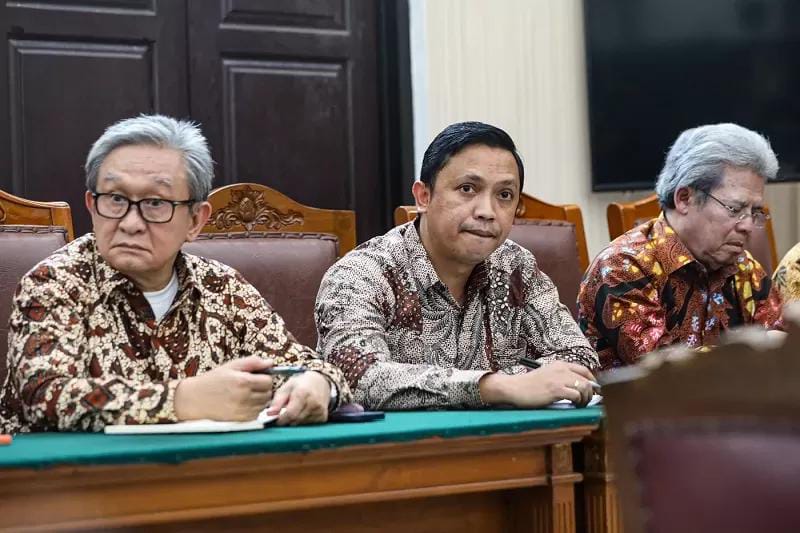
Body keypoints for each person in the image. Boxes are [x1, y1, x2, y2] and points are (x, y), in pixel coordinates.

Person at [0, 114, 350, 433]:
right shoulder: (53, 283)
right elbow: (45, 396)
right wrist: (184, 399)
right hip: (71, 477)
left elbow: (305, 366)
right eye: (115, 199)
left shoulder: (223, 288)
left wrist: (319, 384)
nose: (131, 223)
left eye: (155, 203)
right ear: (92, 205)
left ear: (195, 220)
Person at [314, 121, 599, 410]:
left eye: (504, 195)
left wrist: (517, 384)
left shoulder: (515, 266)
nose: (487, 212)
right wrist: (501, 387)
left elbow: (579, 358)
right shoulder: (361, 274)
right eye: (467, 188)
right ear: (423, 197)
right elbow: (357, 378)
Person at [578, 123, 784, 370]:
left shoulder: (743, 268)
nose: (748, 226)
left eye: (755, 212)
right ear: (684, 198)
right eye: (735, 209)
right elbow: (663, 373)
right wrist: (760, 349)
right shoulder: (621, 266)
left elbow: (784, 344)